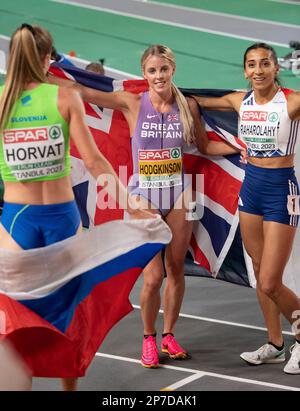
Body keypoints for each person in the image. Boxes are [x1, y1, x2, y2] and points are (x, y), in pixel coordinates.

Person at [50, 44, 241, 368]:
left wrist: (239, 147)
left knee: (176, 270)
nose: (158, 76)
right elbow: (83, 92)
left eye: (163, 70)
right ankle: (148, 339)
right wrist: (46, 75)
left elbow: (205, 146)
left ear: (172, 70)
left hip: (178, 195)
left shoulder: (187, 105)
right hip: (144, 197)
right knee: (153, 276)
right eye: (152, 71)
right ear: (144, 73)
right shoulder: (131, 101)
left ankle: (169, 335)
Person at [0, 23, 153, 390]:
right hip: (62, 220)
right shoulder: (65, 97)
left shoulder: (2, 99)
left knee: (17, 320)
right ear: (45, 58)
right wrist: (131, 203)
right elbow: (97, 163)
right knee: (69, 315)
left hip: (15, 222)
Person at [192, 42, 300, 375]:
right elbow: (192, 101)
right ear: (244, 71)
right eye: (251, 64)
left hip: (282, 190)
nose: (258, 70)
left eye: (265, 63)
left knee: (270, 280)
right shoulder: (239, 101)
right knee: (257, 267)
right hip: (250, 190)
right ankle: (275, 344)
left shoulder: (292, 102)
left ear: (276, 68)